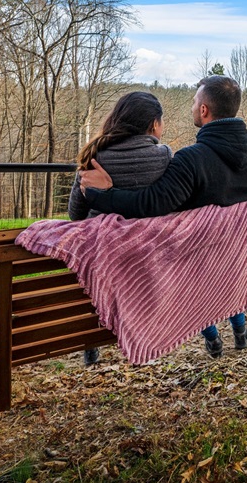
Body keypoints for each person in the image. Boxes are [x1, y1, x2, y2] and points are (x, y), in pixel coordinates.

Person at [79, 75, 247, 358]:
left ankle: (214, 338)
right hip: (236, 260)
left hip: (196, 261)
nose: (192, 106)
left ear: (204, 110)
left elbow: (151, 203)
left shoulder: (192, 160)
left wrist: (101, 194)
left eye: (194, 102)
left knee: (193, 273)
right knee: (215, 267)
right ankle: (240, 329)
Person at [69, 90, 171, 364]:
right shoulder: (163, 157)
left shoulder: (95, 155)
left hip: (101, 259)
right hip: (146, 259)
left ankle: (91, 343)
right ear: (153, 125)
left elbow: (75, 214)